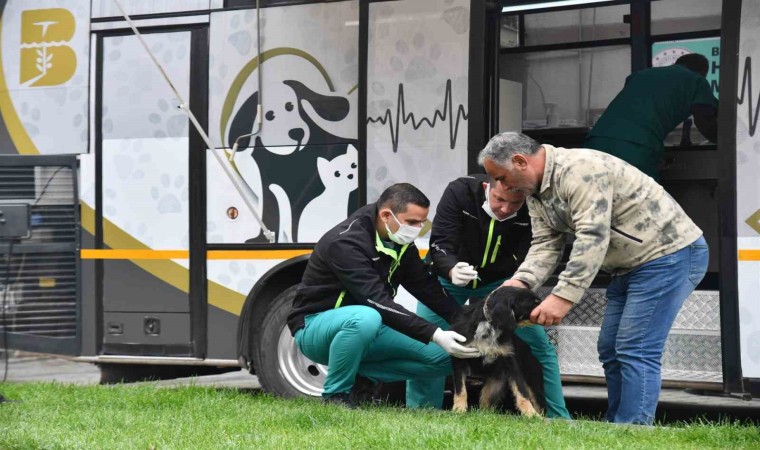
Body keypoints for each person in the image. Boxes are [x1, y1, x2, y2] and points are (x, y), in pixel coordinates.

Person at [479, 132, 709, 425]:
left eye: (501, 177)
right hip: (627, 267)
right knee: (611, 348)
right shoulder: (535, 192)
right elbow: (545, 243)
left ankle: (634, 432)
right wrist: (521, 282)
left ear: (520, 161)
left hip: (668, 256)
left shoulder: (580, 169)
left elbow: (593, 235)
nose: (502, 186)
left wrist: (563, 297)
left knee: (635, 347)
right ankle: (617, 425)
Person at [287, 183, 480, 408]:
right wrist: (435, 334)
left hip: (372, 327)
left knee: (450, 357)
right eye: (412, 222)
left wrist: (468, 322)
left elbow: (426, 287)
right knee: (365, 317)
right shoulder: (345, 242)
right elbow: (377, 302)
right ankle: (335, 396)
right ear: (386, 215)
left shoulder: (400, 241)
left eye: (422, 222)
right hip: (316, 328)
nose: (418, 229)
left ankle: (362, 376)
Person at [405, 174, 571, 419]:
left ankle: (558, 416)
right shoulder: (459, 192)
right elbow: (440, 241)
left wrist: (516, 282)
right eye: (499, 200)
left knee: (540, 345)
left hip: (501, 284)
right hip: (449, 279)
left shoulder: (534, 206)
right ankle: (422, 412)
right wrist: (451, 268)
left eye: (515, 203)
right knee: (427, 341)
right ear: (487, 187)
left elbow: (532, 251)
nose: (505, 208)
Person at [585, 53, 718, 180]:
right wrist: (724, 143)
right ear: (702, 72)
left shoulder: (640, 75)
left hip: (596, 141)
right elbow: (705, 122)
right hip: (636, 146)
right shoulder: (697, 80)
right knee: (642, 195)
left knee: (598, 192)